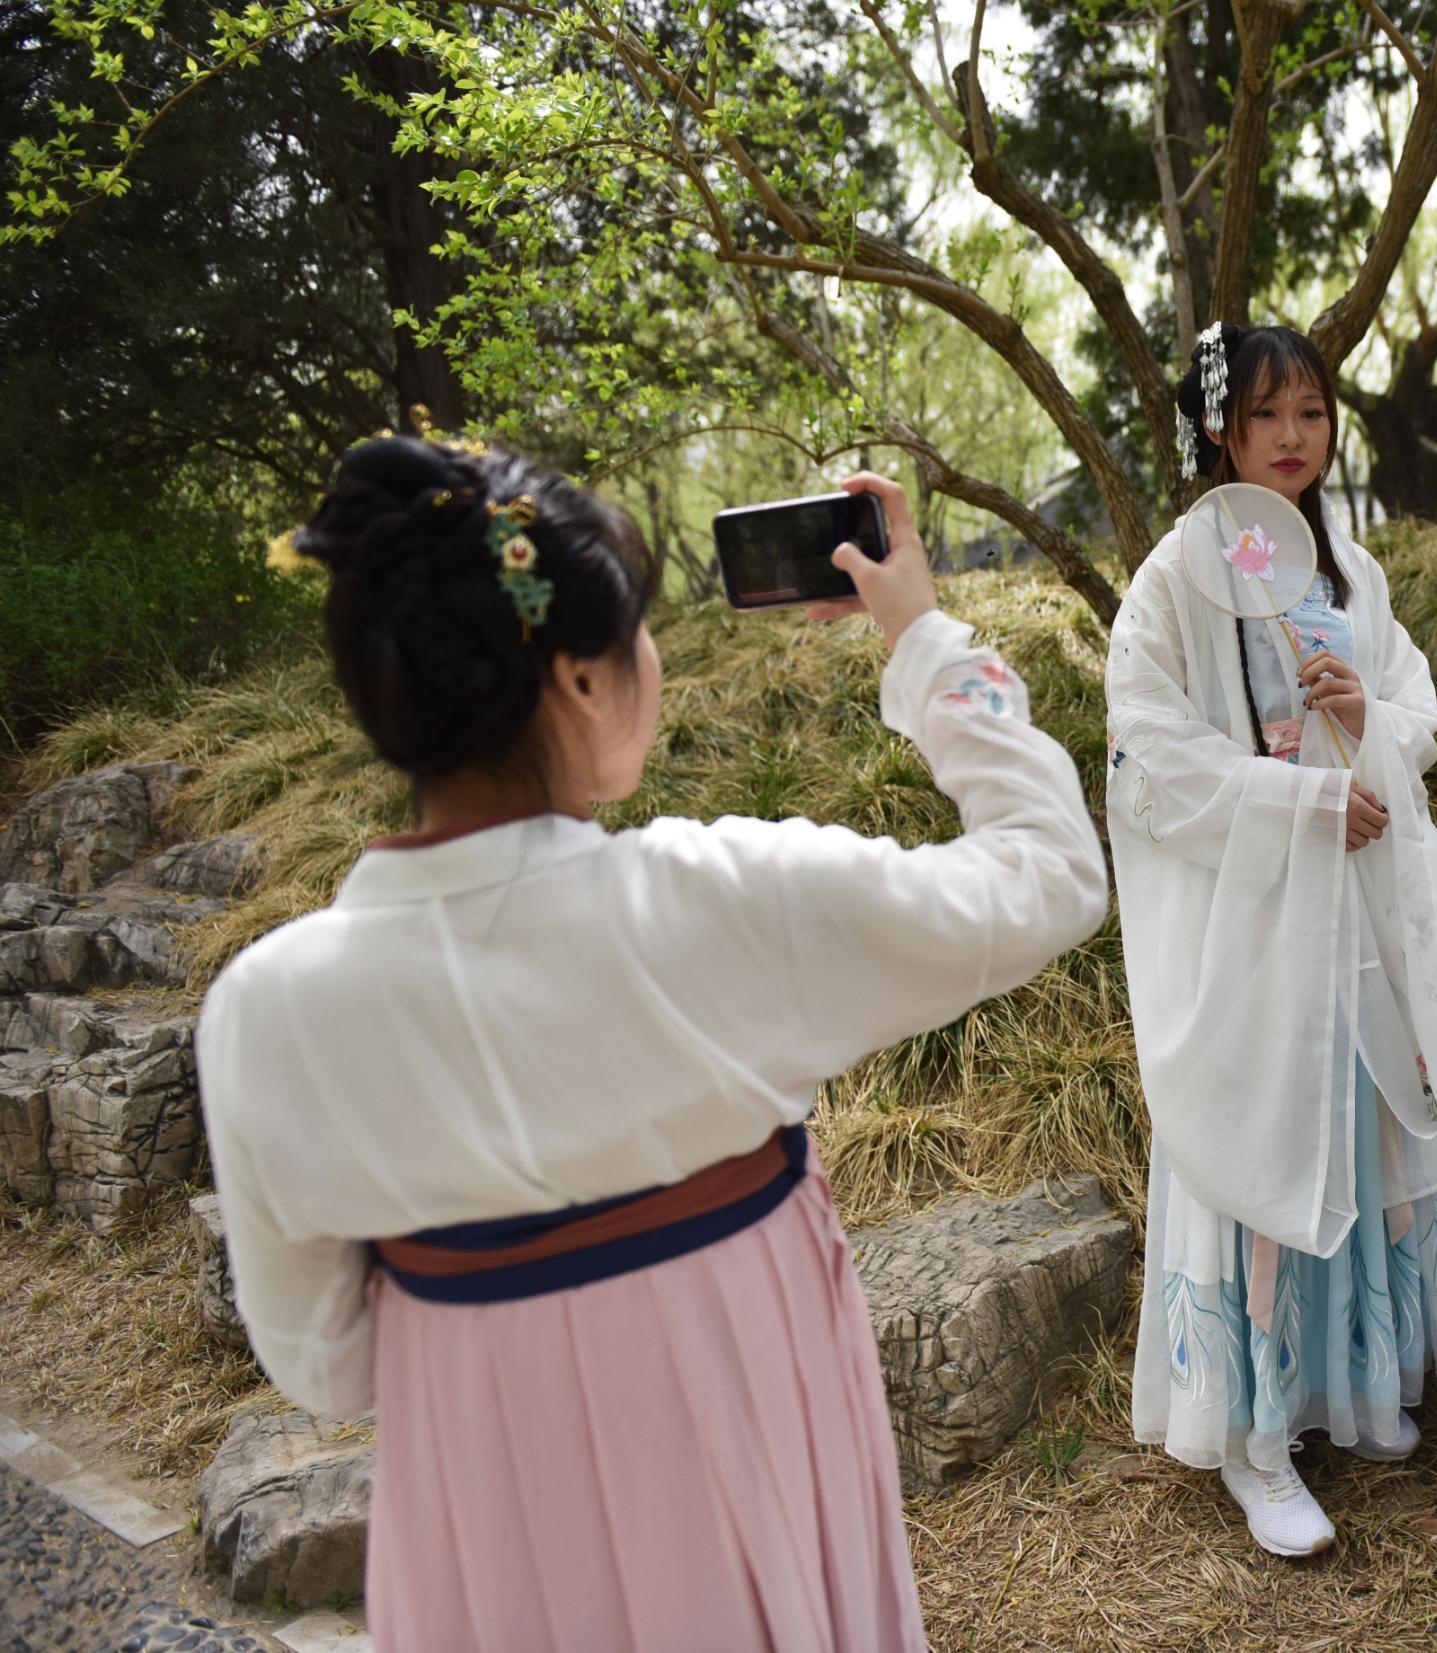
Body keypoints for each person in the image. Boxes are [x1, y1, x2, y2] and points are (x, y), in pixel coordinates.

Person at [197, 438, 1108, 1651]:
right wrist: (926, 639)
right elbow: (1046, 876)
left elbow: (330, 1368)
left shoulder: (269, 1010)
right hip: (746, 1493)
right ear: (580, 682)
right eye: (637, 631)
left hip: (495, 1540)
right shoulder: (717, 899)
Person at [1106, 322, 1437, 1557]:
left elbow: (1414, 709)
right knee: (1264, 1152)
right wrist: (1302, 799)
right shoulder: (1171, 580)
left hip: (1352, 916)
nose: (1291, 438)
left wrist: (1365, 721)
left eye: (1310, 413)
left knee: (1355, 1128)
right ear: (1217, 427)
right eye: (1266, 416)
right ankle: (1256, 1441)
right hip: (1252, 921)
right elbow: (1151, 754)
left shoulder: (1347, 574)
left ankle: (1354, 1384)